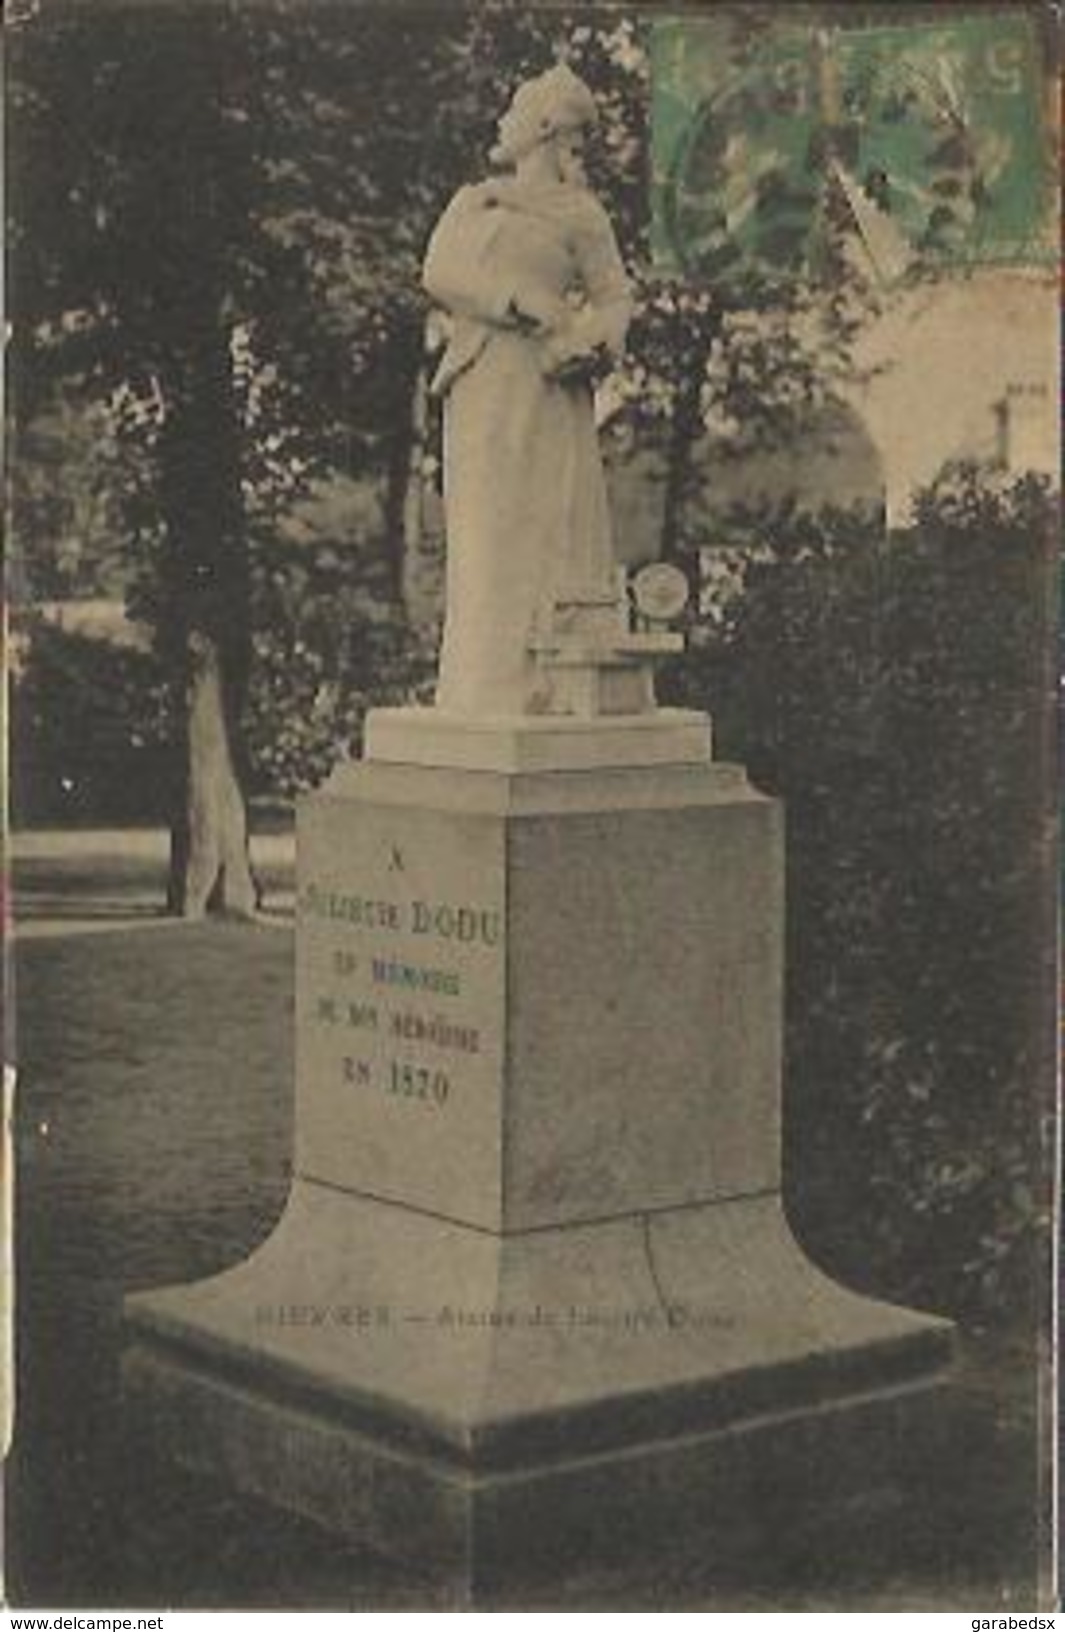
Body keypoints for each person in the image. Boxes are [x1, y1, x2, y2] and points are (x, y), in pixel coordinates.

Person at [423, 63, 633, 716]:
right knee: (485, 526)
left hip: (547, 386)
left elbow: (615, 296)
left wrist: (591, 341)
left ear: (541, 127)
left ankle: (550, 682)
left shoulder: (579, 214)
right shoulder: (474, 202)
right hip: (484, 379)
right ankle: (482, 685)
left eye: (513, 112)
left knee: (547, 523)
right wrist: (517, 299)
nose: (501, 123)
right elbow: (439, 272)